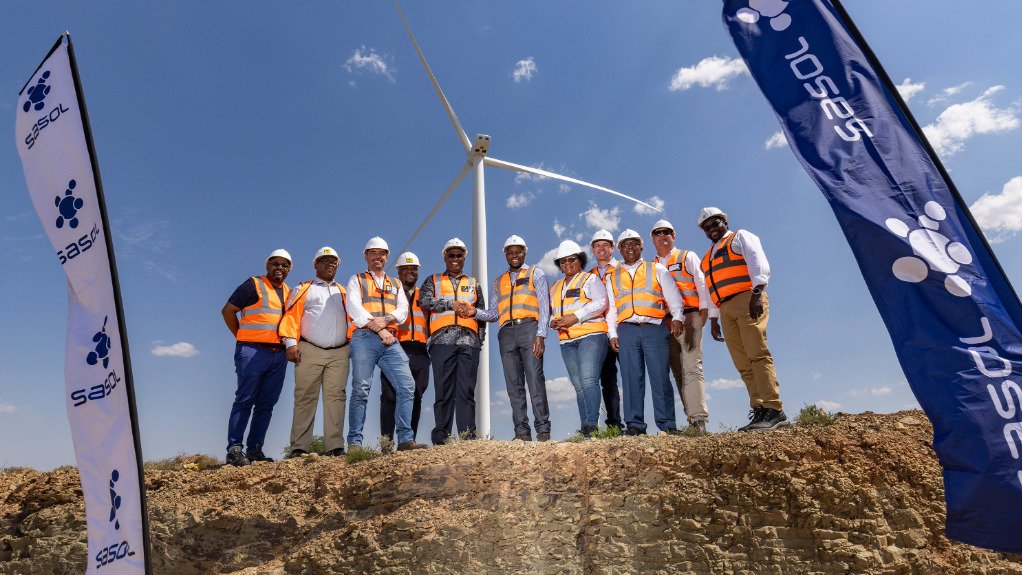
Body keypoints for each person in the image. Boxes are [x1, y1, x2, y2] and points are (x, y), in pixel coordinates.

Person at [698, 207, 788, 431]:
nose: (712, 229)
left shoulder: (740, 237)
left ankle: (774, 408)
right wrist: (713, 319)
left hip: (747, 298)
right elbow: (710, 289)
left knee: (757, 353)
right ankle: (759, 409)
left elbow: (759, 263)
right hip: (725, 308)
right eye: (707, 228)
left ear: (724, 221)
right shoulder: (707, 257)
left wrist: (757, 293)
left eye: (715, 223)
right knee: (742, 363)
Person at [345, 237, 427, 451]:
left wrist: (387, 320)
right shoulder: (357, 280)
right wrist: (380, 328)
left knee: (407, 386)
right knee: (361, 389)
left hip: (390, 340)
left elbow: (403, 311)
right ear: (366, 256)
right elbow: (355, 309)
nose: (377, 257)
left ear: (387, 256)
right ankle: (354, 443)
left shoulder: (395, 283)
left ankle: (405, 439)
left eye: (382, 253)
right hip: (365, 338)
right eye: (373, 253)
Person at [605, 230, 685, 436]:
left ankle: (667, 425)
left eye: (634, 244)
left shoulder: (656, 268)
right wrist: (612, 333)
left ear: (641, 247)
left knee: (660, 377)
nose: (630, 248)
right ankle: (634, 425)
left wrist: (677, 317)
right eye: (625, 245)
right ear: (620, 250)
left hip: (654, 329)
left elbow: (673, 296)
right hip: (626, 331)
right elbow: (612, 309)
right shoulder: (611, 277)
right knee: (631, 379)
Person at [473, 235, 551, 442]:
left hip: (529, 329)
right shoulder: (499, 282)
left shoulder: (537, 274)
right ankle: (521, 432)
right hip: (506, 333)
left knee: (535, 379)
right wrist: (472, 311)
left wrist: (541, 335)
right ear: (505, 254)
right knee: (513, 384)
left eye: (518, 251)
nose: (514, 255)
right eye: (510, 251)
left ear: (524, 253)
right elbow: (492, 313)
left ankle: (543, 429)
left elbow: (544, 308)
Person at [220, 249, 293, 467]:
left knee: (266, 404)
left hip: (278, 355)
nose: (279, 268)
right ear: (267, 265)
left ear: (290, 269)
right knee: (245, 399)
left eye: (285, 265)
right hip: (252, 351)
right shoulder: (253, 284)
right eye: (275, 263)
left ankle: (255, 449)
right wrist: (241, 337)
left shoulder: (289, 292)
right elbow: (227, 311)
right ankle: (234, 449)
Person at [278, 246, 350, 459]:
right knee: (305, 398)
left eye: (333, 261)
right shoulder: (303, 289)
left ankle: (335, 447)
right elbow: (290, 316)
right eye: (324, 261)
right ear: (315, 264)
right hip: (308, 350)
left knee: (336, 398)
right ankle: (299, 447)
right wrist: (290, 343)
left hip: (340, 353)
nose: (329, 264)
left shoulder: (345, 291)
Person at [419, 238, 486, 445]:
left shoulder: (474, 283)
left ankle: (467, 437)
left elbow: (482, 313)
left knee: (466, 392)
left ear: (464, 257)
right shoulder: (433, 280)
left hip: (469, 343)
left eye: (459, 255)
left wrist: (479, 339)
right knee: (443, 392)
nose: (455, 259)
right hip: (442, 342)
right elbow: (424, 300)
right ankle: (441, 437)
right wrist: (451, 304)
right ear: (445, 257)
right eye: (451, 255)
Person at [651, 219, 711, 433]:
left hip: (689, 317)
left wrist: (704, 311)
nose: (662, 236)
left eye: (666, 232)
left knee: (692, 367)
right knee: (678, 372)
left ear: (673, 235)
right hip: (665, 323)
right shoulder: (651, 266)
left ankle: (699, 419)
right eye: (657, 233)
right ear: (653, 239)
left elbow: (701, 281)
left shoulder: (687, 256)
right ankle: (691, 417)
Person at [549, 240, 609, 438]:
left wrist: (576, 316)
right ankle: (586, 428)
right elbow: (552, 312)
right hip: (567, 341)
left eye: (572, 259)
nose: (567, 264)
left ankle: (592, 426)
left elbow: (602, 302)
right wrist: (552, 321)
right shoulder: (555, 287)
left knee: (589, 380)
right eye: (563, 261)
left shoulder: (590, 280)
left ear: (580, 260)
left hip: (591, 335)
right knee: (578, 385)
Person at [379, 252, 431, 443]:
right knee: (390, 395)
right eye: (406, 268)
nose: (410, 272)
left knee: (417, 395)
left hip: (420, 351)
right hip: (395, 348)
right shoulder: (391, 294)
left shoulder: (425, 296)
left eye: (414, 269)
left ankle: (409, 441)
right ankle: (386, 441)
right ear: (398, 271)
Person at [589, 229, 624, 429]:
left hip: (623, 326)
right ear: (593, 250)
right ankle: (614, 423)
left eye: (605, 245)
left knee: (630, 376)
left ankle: (636, 424)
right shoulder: (589, 276)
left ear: (612, 248)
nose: (601, 249)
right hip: (600, 331)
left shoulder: (622, 269)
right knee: (607, 379)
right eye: (597, 246)